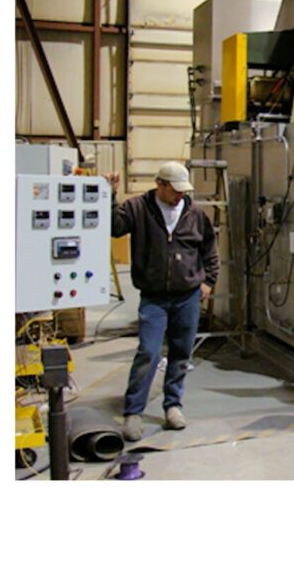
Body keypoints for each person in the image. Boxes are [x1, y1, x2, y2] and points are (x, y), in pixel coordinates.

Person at [107, 162, 218, 441]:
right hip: (154, 297)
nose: (180, 195)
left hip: (187, 296)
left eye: (184, 190)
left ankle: (173, 405)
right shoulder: (137, 208)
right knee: (148, 352)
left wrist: (209, 282)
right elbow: (115, 227)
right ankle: (133, 411)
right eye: (176, 190)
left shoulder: (195, 213)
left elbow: (209, 248)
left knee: (181, 355)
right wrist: (108, 195)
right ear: (161, 185)